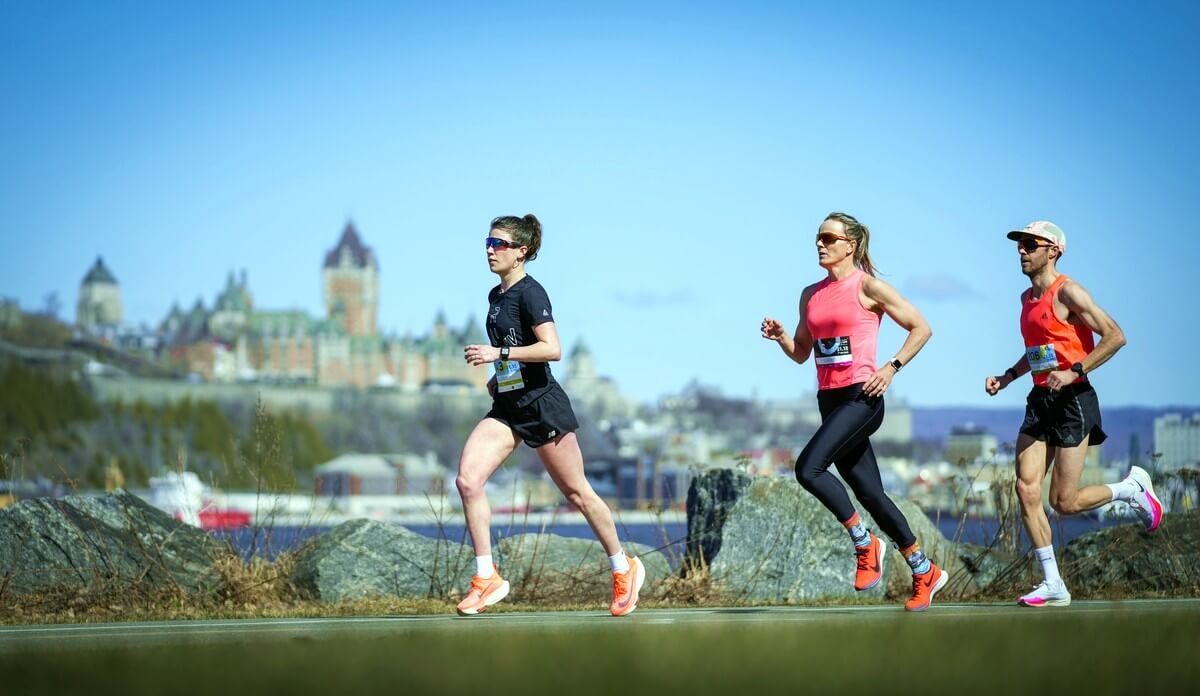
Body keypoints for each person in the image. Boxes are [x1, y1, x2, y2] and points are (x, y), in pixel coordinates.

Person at [456, 214, 645, 617]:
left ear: (522, 252)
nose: (490, 250)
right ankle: (486, 576)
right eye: (488, 242)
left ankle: (623, 566)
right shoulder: (496, 297)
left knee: (577, 494)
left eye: (499, 244)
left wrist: (498, 354)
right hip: (508, 406)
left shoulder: (531, 293)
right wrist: (498, 377)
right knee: (468, 481)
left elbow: (551, 348)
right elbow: (515, 348)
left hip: (542, 406)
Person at [761, 211, 947, 612]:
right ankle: (923, 569)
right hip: (829, 400)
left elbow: (921, 327)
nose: (820, 244)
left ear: (852, 244)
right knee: (870, 493)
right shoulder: (810, 294)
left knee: (808, 469)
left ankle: (865, 543)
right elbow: (801, 353)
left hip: (862, 397)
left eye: (828, 237)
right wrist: (780, 338)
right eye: (817, 237)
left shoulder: (869, 288)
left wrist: (891, 367)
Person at [985, 220, 1160, 608]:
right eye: (1020, 245)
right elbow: (1038, 351)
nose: (1022, 250)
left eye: (1031, 244)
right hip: (1040, 400)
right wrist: (1008, 376)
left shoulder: (1070, 292)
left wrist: (1075, 370)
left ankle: (1130, 490)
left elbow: (1115, 335)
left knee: (1064, 502)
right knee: (1025, 488)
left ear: (1054, 250)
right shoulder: (1025, 299)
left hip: (1074, 400)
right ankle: (1053, 584)